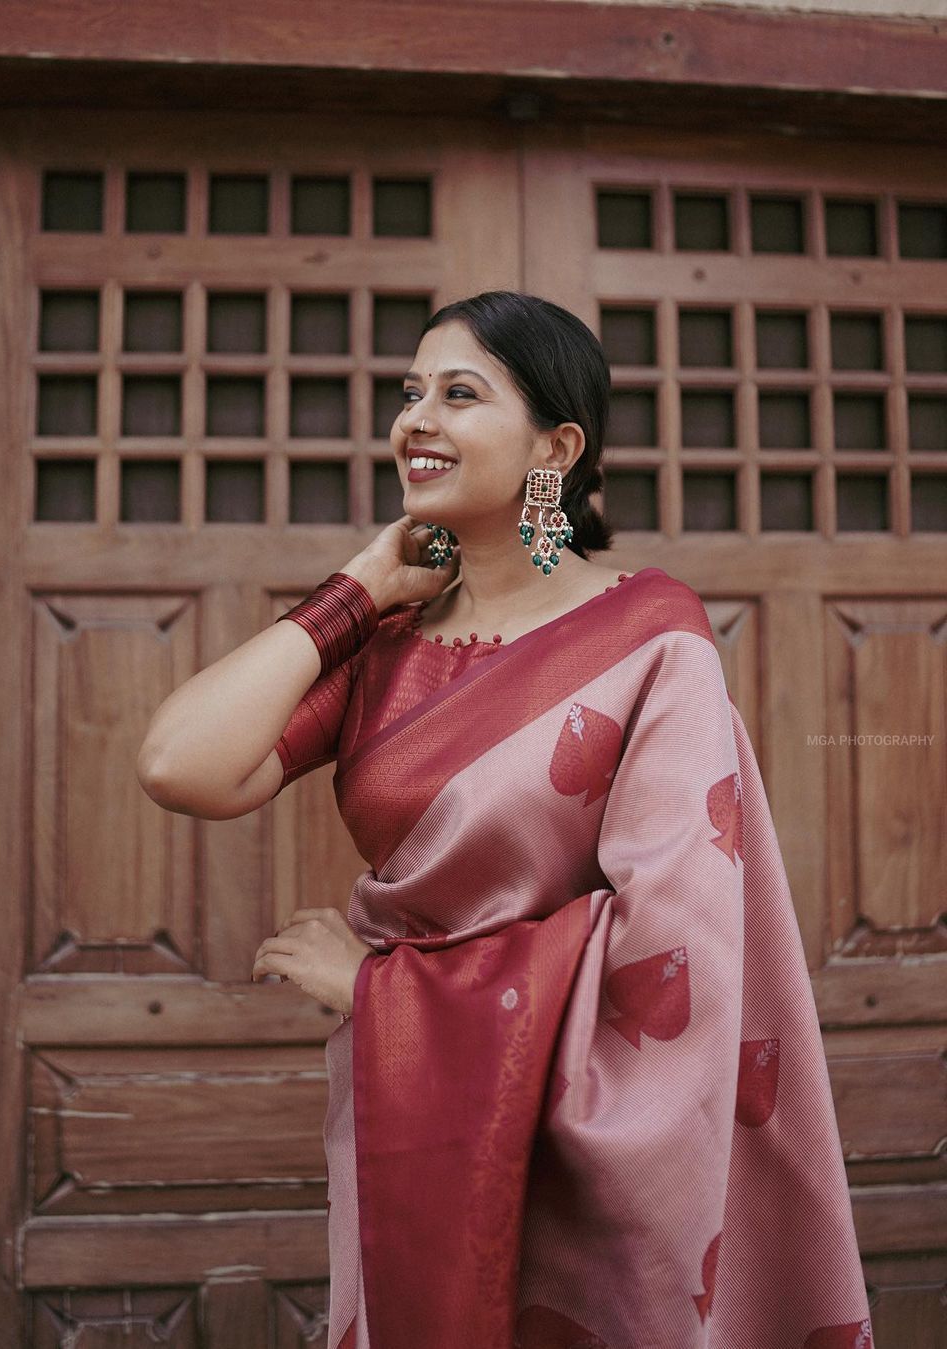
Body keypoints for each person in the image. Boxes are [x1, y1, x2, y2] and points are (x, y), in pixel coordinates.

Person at [137, 291, 873, 1349]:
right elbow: (179, 762)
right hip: (413, 1113)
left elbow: (684, 936)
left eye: (460, 393)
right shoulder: (386, 646)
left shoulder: (649, 635)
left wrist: (385, 989)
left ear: (556, 448)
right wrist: (361, 585)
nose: (415, 420)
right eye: (409, 393)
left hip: (587, 1129)